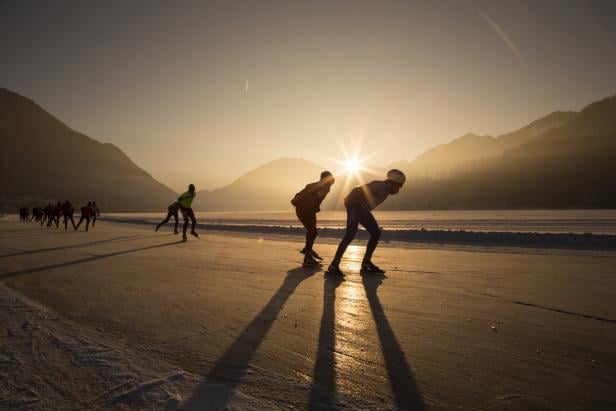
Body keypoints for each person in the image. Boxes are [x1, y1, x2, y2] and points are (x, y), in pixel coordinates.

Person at [326, 169, 406, 276]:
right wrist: (356, 205)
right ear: (394, 183)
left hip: (358, 208)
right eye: (399, 186)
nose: (399, 190)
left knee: (373, 233)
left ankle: (365, 262)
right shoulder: (381, 186)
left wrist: (358, 205)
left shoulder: (384, 188)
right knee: (351, 235)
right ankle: (335, 264)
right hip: (356, 208)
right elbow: (356, 190)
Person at [291, 171, 335, 267]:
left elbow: (315, 198)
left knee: (312, 231)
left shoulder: (324, 187)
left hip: (307, 210)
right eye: (329, 179)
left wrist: (315, 207)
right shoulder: (318, 186)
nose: (331, 181)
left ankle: (308, 250)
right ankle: (308, 255)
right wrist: (308, 205)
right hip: (304, 210)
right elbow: (304, 196)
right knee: (312, 231)